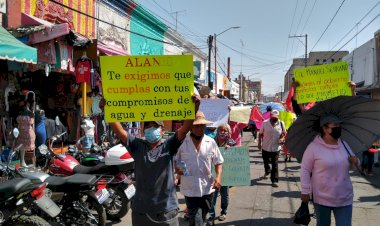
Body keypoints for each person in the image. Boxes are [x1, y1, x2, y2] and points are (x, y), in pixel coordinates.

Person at [99, 95, 200, 226]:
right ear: (143, 130)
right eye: (147, 126)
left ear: (162, 131)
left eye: (155, 126)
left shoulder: (169, 146)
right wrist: (106, 111)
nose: (150, 128)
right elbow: (121, 133)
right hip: (141, 211)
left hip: (166, 211)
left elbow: (185, 129)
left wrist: (194, 108)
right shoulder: (137, 146)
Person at [300, 114, 358, 226]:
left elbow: (353, 162)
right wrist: (305, 190)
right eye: (335, 125)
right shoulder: (313, 147)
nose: (338, 128)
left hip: (344, 196)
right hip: (322, 197)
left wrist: (355, 161)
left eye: (339, 125)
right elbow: (305, 169)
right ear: (325, 128)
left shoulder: (344, 144)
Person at [175, 111, 224, 226]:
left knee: (201, 217)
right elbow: (175, 161)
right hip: (190, 189)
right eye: (196, 126)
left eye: (202, 126)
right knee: (197, 220)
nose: (200, 128)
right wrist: (178, 170)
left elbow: (218, 162)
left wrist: (218, 177)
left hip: (208, 188)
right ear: (191, 127)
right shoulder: (182, 143)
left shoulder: (211, 142)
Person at [208, 123, 236, 224]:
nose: (223, 132)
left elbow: (237, 155)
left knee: (225, 195)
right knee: (213, 195)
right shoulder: (211, 142)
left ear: (229, 133)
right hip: (213, 174)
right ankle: (211, 215)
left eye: (225, 130)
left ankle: (223, 212)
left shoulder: (232, 142)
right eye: (221, 130)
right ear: (217, 131)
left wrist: (231, 149)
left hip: (226, 175)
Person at [258, 110, 286, 187]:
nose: (274, 119)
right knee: (266, 162)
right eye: (273, 117)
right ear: (270, 116)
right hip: (265, 147)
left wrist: (282, 138)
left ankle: (274, 180)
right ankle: (267, 171)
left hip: (276, 148)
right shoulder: (265, 123)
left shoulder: (281, 123)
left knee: (275, 164)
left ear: (278, 117)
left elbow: (284, 133)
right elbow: (260, 134)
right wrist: (259, 143)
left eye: (276, 118)